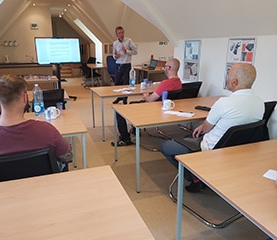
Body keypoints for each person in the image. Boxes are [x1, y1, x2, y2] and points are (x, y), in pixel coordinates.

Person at [161, 63, 264, 192]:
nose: (226, 78)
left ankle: (196, 178)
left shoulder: (224, 103)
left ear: (234, 82)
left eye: (228, 74)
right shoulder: (260, 103)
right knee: (189, 137)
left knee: (166, 146)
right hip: (238, 149)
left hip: (212, 149)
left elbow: (205, 128)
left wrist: (201, 127)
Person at [0, 75, 71, 173]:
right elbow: (66, 156)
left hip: (6, 189)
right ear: (25, 98)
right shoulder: (47, 130)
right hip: (46, 187)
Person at [112, 58, 182, 147]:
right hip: (163, 108)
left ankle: (125, 139)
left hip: (152, 109)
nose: (163, 69)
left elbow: (150, 100)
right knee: (134, 103)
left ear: (168, 68)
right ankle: (134, 130)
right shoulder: (179, 82)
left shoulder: (165, 83)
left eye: (165, 66)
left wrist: (145, 96)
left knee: (119, 111)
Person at [112, 25, 137, 105]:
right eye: (119, 33)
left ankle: (125, 98)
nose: (121, 34)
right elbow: (113, 54)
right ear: (116, 34)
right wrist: (115, 56)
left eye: (122, 32)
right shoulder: (115, 43)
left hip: (126, 64)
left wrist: (126, 51)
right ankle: (120, 96)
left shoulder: (129, 41)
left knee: (126, 83)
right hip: (118, 64)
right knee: (117, 82)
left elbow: (135, 51)